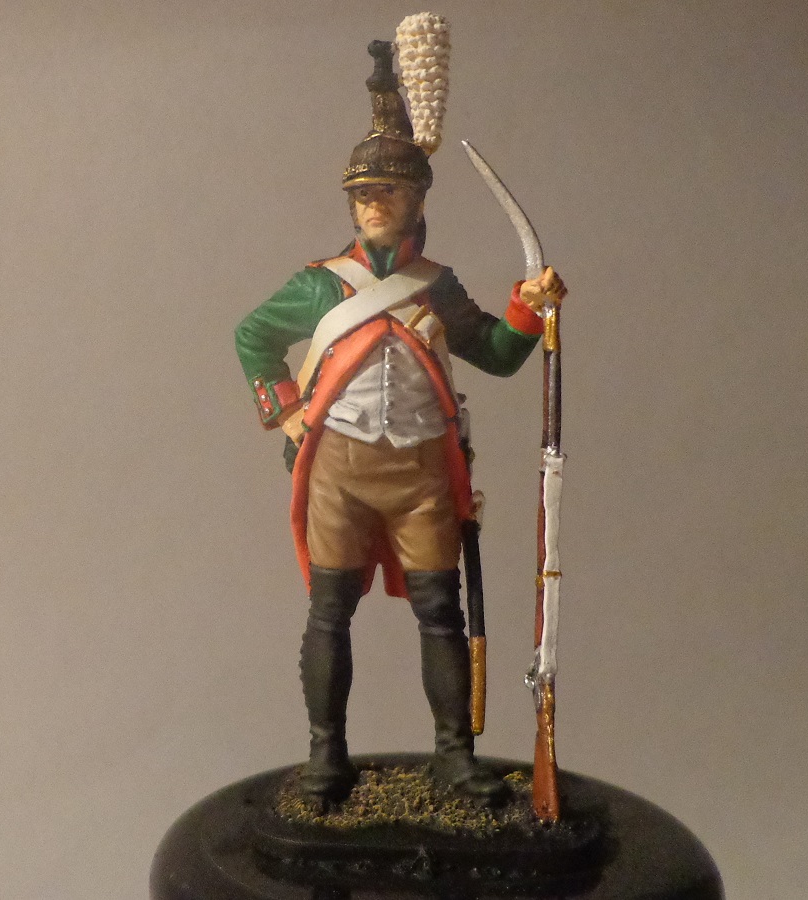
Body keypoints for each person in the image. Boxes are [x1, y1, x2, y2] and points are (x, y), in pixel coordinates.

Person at [234, 39, 566, 808]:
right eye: (364, 194)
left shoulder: (437, 286)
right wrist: (286, 412)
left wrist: (528, 308)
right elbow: (253, 335)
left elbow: (496, 354)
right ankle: (326, 757)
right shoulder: (322, 287)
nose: (374, 204)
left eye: (388, 190)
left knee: (441, 612)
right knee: (328, 613)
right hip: (339, 474)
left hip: (420, 476)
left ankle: (453, 757)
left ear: (417, 199)